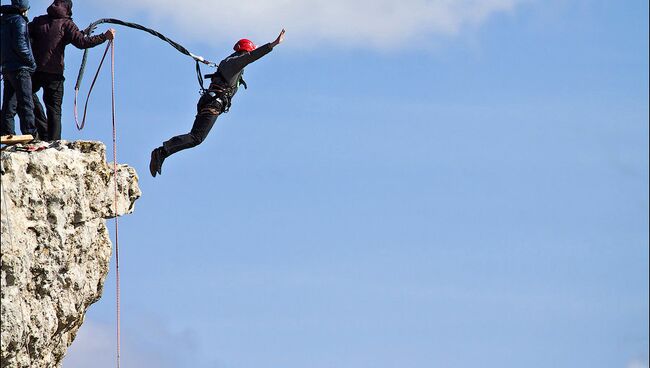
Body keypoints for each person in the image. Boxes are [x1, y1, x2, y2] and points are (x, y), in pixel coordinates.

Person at [149, 29, 286, 177]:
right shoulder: (235, 62)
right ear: (245, 52)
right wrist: (273, 44)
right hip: (213, 104)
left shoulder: (230, 62)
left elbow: (249, 56)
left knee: (195, 136)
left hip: (210, 102)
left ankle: (162, 152)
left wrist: (254, 48)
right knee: (196, 137)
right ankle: (161, 152)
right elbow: (252, 57)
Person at [28, 0, 115, 141]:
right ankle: (54, 142)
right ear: (68, 9)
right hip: (54, 74)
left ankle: (42, 132)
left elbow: (47, 38)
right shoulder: (67, 24)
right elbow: (82, 42)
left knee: (26, 96)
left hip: (35, 71)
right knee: (54, 110)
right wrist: (104, 37)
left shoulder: (39, 21)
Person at [0, 0, 37, 138]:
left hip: (7, 67)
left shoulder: (3, 20)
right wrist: (32, 63)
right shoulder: (19, 21)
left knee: (9, 103)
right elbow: (21, 45)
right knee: (26, 102)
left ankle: (7, 132)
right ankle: (30, 133)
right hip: (21, 68)